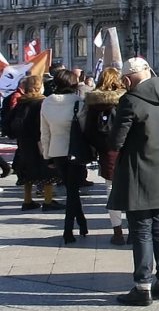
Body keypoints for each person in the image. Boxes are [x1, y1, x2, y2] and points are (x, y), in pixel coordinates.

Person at [109, 57, 159, 306]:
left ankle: (142, 287)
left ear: (128, 79)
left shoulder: (130, 101)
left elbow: (116, 141)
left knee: (141, 229)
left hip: (138, 171)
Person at [40, 70, 88, 244]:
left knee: (71, 189)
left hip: (57, 152)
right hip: (75, 151)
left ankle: (82, 222)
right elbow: (84, 130)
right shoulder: (78, 102)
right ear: (73, 85)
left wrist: (47, 156)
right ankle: (68, 230)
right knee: (72, 191)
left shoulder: (46, 103)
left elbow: (44, 133)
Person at [84, 67, 126, 245]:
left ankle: (117, 231)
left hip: (107, 151)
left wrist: (100, 147)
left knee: (111, 190)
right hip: (127, 149)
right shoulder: (127, 99)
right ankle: (135, 229)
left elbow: (88, 130)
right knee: (131, 189)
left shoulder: (94, 102)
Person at [13, 76, 63, 212]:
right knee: (47, 170)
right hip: (39, 141)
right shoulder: (41, 102)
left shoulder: (21, 102)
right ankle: (47, 201)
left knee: (27, 171)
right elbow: (42, 123)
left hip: (24, 143)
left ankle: (27, 200)